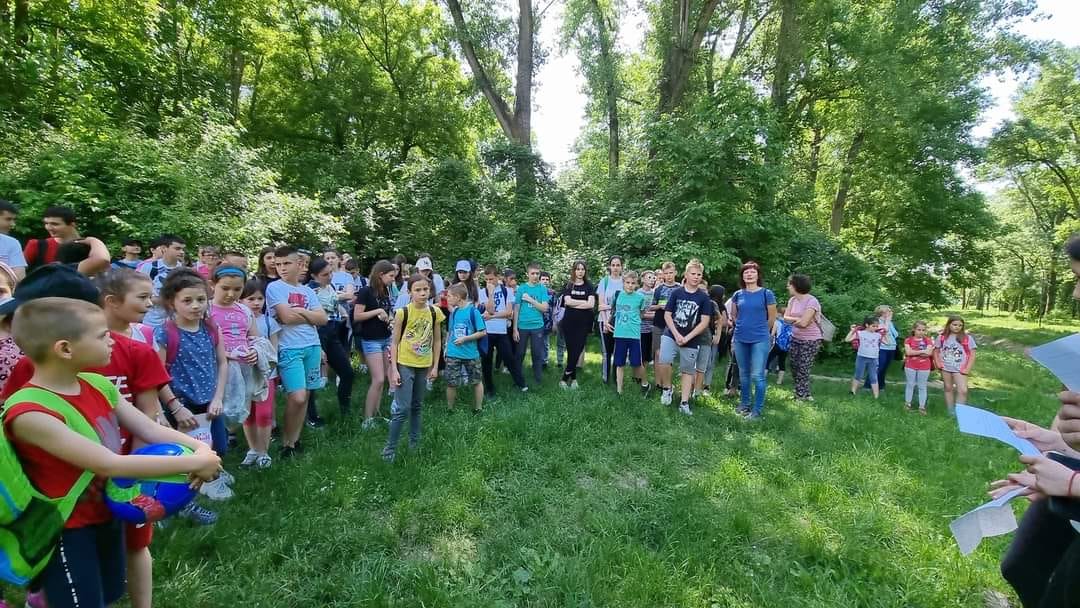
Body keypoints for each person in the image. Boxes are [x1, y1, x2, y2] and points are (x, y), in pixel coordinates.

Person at [3, 296, 220, 608]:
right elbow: (109, 464)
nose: (113, 342)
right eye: (102, 335)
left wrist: (201, 448)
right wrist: (195, 462)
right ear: (65, 349)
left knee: (106, 594)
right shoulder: (30, 413)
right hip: (64, 531)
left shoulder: (96, 384)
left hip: (106, 515)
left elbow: (149, 429)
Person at [153, 269, 233, 503]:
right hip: (182, 404)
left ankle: (213, 471)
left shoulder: (211, 328)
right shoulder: (165, 333)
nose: (196, 306)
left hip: (210, 402)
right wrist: (175, 407)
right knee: (190, 450)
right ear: (172, 303)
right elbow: (157, 374)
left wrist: (218, 397)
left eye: (201, 299)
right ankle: (201, 484)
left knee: (220, 445)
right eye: (187, 301)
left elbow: (222, 362)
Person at [265, 246, 327, 458]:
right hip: (289, 348)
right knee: (297, 397)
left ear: (299, 264)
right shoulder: (275, 288)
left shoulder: (307, 290)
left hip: (312, 345)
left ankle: (294, 441)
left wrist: (299, 311)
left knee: (306, 394)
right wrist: (309, 315)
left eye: (287, 263)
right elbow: (286, 317)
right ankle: (285, 441)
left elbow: (323, 319)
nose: (282, 268)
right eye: (278, 264)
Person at [383, 273, 443, 462]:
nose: (423, 293)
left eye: (425, 289)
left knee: (417, 406)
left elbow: (437, 341)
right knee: (402, 408)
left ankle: (414, 445)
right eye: (418, 290)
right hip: (405, 364)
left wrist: (435, 366)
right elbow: (394, 343)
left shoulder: (434, 312)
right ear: (409, 292)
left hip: (423, 364)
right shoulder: (403, 313)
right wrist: (394, 369)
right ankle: (389, 450)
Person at [659, 259, 712, 416]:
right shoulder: (676, 293)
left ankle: (684, 402)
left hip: (691, 338)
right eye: (693, 274)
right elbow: (667, 315)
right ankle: (667, 389)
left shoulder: (704, 298)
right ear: (686, 275)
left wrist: (687, 337)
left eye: (699, 275)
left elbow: (704, 322)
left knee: (687, 370)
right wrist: (676, 334)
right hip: (671, 334)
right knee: (664, 359)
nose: (696, 277)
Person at [306, 258, 355, 420]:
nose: (329, 277)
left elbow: (333, 302)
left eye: (330, 273)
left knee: (347, 373)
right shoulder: (310, 291)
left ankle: (345, 413)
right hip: (317, 334)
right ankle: (312, 417)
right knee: (312, 378)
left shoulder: (330, 286)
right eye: (325, 274)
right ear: (314, 275)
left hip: (333, 332)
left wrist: (341, 312)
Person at [729, 261, 777, 419]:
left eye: (752, 272)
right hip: (740, 338)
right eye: (746, 272)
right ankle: (744, 405)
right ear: (742, 276)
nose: (749, 274)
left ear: (758, 275)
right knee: (744, 374)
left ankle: (757, 411)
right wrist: (740, 327)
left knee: (757, 375)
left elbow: (772, 318)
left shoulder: (766, 294)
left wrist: (761, 330)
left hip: (760, 339)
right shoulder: (738, 294)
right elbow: (734, 315)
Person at [353, 260, 396, 429]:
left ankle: (376, 415)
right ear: (381, 274)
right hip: (371, 340)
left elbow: (387, 311)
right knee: (377, 379)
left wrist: (390, 319)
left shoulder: (385, 290)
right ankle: (367, 419)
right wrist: (378, 311)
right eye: (391, 276)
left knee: (383, 378)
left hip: (385, 337)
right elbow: (357, 316)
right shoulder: (366, 291)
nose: (393, 279)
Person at [478, 264, 527, 396]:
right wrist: (491, 293)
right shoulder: (482, 292)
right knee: (486, 360)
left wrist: (492, 316)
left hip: (501, 332)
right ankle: (489, 389)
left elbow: (508, 312)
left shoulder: (507, 291)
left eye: (491, 279)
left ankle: (521, 384)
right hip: (487, 332)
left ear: (498, 277)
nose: (489, 282)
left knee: (509, 358)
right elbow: (490, 309)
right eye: (486, 279)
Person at [444, 283, 486, 413]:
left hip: (470, 354)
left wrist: (465, 339)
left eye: (449, 296)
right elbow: (450, 331)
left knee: (476, 381)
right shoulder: (454, 312)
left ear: (457, 297)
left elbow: (482, 332)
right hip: (453, 353)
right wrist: (446, 347)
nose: (447, 298)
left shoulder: (473, 312)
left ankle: (478, 408)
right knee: (451, 382)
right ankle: (450, 409)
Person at [607, 270, 649, 396]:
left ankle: (645, 384)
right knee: (619, 363)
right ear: (623, 283)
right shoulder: (617, 295)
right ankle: (619, 390)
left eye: (633, 283)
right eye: (627, 282)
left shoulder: (640, 298)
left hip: (634, 335)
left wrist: (634, 321)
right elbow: (613, 310)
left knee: (636, 363)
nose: (630, 285)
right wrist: (608, 322)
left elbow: (642, 313)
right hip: (620, 334)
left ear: (637, 284)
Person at [782, 274, 824, 402]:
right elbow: (785, 318)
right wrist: (797, 319)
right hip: (795, 337)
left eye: (789, 285)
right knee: (794, 366)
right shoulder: (792, 300)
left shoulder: (812, 301)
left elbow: (804, 323)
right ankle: (806, 393)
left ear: (796, 285)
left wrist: (794, 320)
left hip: (811, 339)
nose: (787, 287)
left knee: (803, 367)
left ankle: (799, 396)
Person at [559, 260, 595, 389]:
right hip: (569, 323)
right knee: (571, 351)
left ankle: (564, 379)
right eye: (578, 269)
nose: (580, 271)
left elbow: (591, 304)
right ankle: (573, 380)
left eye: (582, 269)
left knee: (578, 349)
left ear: (585, 271)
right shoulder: (569, 285)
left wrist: (575, 304)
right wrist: (583, 303)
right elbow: (567, 302)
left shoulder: (589, 285)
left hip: (584, 323)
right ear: (574, 271)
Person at [139, 233, 187, 329]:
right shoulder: (149, 268)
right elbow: (139, 294)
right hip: (152, 322)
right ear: (164, 248)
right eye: (177, 248)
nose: (182, 252)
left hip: (177, 321)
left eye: (183, 249)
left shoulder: (184, 270)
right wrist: (165, 300)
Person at [514, 262, 549, 386]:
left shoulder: (542, 288)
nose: (535, 276)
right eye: (532, 273)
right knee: (520, 354)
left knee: (537, 353)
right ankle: (517, 380)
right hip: (522, 326)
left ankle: (537, 380)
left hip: (537, 326)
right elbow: (516, 309)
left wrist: (530, 299)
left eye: (537, 273)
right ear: (527, 274)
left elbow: (544, 308)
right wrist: (515, 329)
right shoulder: (522, 288)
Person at [934, 314, 975, 415]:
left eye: (960, 325)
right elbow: (936, 351)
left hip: (960, 368)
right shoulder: (941, 337)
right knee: (948, 388)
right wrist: (938, 364)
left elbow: (972, 354)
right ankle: (951, 411)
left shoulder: (967, 338)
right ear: (949, 325)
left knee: (963, 390)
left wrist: (967, 368)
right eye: (955, 324)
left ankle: (960, 413)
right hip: (946, 367)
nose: (957, 327)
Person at [650, 261, 679, 393]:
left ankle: (668, 383)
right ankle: (658, 382)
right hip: (659, 323)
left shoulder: (680, 288)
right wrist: (659, 306)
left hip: (674, 325)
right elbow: (651, 306)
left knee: (668, 355)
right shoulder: (659, 289)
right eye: (666, 273)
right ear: (663, 274)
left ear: (675, 273)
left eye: (671, 273)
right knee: (657, 353)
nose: (669, 275)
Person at [22, 205, 80, 271]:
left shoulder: (87, 246)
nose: (49, 228)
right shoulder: (37, 245)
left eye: (55, 224)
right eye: (46, 223)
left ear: (72, 225)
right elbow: (17, 271)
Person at [595, 256, 625, 384]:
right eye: (613, 265)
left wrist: (610, 306)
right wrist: (606, 322)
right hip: (604, 320)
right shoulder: (604, 281)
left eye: (618, 265)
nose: (615, 268)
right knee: (606, 351)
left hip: (620, 321)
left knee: (618, 350)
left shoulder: (625, 282)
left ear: (622, 267)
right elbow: (600, 305)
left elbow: (626, 304)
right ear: (609, 266)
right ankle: (605, 378)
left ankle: (616, 378)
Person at [697, 285, 727, 395]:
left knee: (708, 362)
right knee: (699, 363)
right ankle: (697, 387)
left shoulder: (715, 305)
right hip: (696, 336)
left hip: (710, 336)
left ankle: (705, 386)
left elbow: (722, 320)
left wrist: (717, 333)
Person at [846, 316, 882, 399]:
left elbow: (887, 342)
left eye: (877, 326)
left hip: (874, 358)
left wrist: (886, 333)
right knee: (858, 374)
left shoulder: (878, 335)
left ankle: (876, 396)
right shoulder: (860, 333)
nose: (875, 328)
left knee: (873, 376)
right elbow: (847, 339)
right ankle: (853, 391)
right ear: (867, 325)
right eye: (873, 326)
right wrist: (852, 331)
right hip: (862, 357)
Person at [865, 305, 898, 391]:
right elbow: (884, 330)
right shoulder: (877, 322)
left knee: (885, 368)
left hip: (891, 347)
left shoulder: (890, 323)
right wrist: (887, 322)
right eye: (889, 311)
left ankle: (881, 386)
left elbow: (896, 334)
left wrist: (888, 322)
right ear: (882, 313)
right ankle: (868, 386)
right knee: (878, 367)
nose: (891, 313)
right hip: (881, 348)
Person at [903, 321, 934, 414]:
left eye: (923, 330)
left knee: (922, 386)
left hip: (924, 366)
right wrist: (922, 351)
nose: (921, 332)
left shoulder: (928, 340)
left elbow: (929, 353)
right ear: (914, 330)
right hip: (910, 365)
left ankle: (922, 406)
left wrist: (914, 352)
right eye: (919, 330)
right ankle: (907, 403)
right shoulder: (908, 340)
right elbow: (908, 353)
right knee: (910, 384)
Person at [0, 199, 27, 281]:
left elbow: (19, 278)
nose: (12, 224)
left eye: (13, 220)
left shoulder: (12, 243)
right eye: (8, 219)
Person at [766, 310, 790, 385]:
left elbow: (772, 334)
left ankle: (762, 378)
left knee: (767, 360)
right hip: (786, 347)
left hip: (777, 345)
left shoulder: (777, 322)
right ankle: (779, 381)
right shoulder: (790, 323)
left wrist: (769, 343)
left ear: (780, 314)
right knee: (782, 363)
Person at [639, 270, 657, 373]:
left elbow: (658, 311)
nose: (652, 280)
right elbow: (638, 314)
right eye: (649, 277)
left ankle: (643, 376)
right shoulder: (638, 293)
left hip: (652, 329)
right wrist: (652, 315)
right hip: (640, 330)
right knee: (640, 355)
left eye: (653, 278)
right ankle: (638, 377)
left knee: (647, 356)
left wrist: (648, 314)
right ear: (642, 279)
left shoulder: (655, 293)